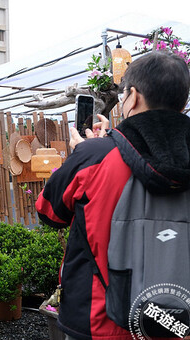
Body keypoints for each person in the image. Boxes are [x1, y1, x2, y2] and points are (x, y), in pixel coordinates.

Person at [35, 51, 190, 340]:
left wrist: (83, 152)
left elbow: (48, 213)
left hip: (98, 322)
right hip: (178, 322)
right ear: (182, 101)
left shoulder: (95, 156)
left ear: (132, 97)